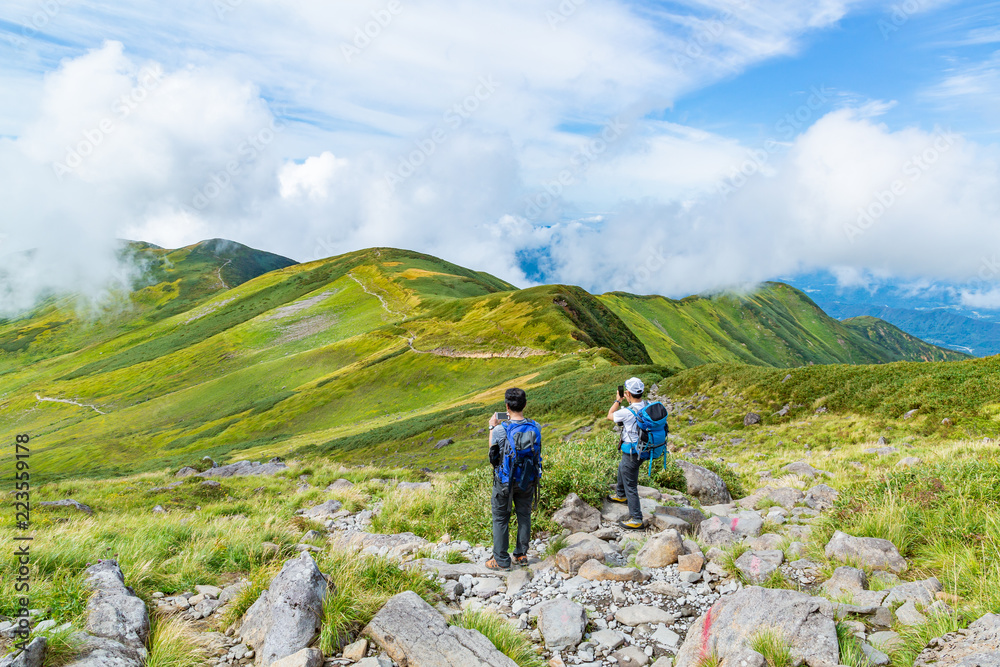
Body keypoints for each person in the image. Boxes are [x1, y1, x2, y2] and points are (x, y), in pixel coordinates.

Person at [486, 387, 541, 571]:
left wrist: (492, 427)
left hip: (505, 482)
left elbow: (492, 455)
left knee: (501, 518)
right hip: (528, 479)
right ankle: (521, 554)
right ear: (525, 404)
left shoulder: (501, 430)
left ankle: (501, 559)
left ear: (507, 407)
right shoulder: (536, 427)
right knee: (524, 515)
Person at [607, 376, 647, 530]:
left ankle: (637, 518)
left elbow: (610, 415)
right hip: (643, 448)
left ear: (628, 393)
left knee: (631, 483)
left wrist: (618, 401)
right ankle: (620, 494)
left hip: (632, 450)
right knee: (622, 467)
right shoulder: (646, 406)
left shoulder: (627, 412)